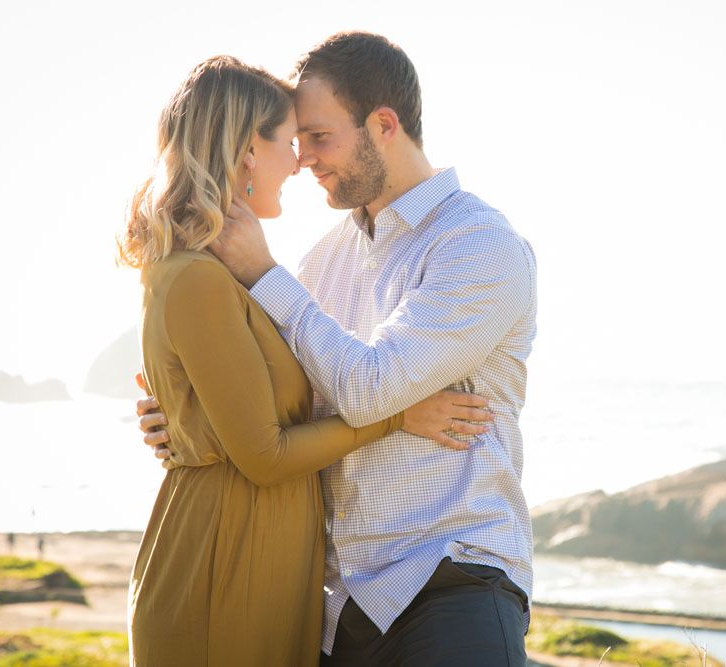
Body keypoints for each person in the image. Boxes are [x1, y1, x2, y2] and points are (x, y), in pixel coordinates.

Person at [142, 32, 538, 665]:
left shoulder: (478, 246)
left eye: (318, 137)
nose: (302, 159)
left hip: (448, 583)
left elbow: (365, 389)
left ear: (383, 124)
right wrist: (190, 421)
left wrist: (268, 278)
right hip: (336, 608)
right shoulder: (321, 261)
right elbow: (282, 410)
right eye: (295, 141)